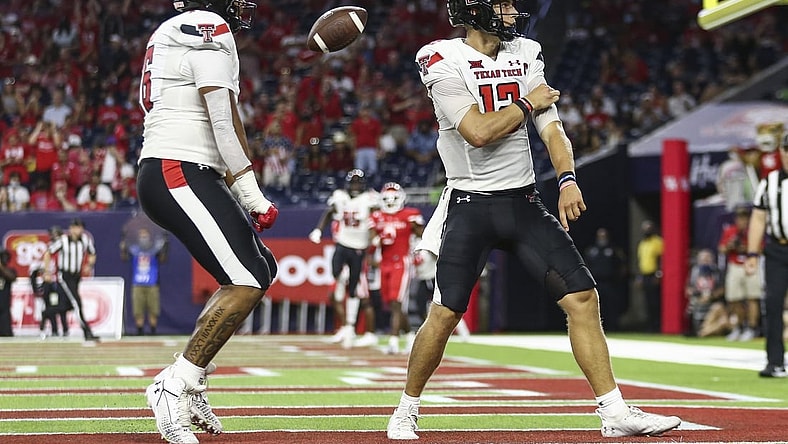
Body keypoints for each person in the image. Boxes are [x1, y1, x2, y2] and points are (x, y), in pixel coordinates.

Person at [386, 1, 681, 440]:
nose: (511, 11)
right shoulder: (440, 58)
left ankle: (614, 411)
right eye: (501, 3)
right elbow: (478, 132)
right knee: (445, 313)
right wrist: (525, 102)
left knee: (582, 297)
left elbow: (552, 126)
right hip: (470, 203)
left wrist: (566, 179)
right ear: (474, 9)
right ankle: (406, 409)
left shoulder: (526, 50)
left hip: (523, 201)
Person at [137, 1, 280, 442]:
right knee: (246, 278)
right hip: (178, 166)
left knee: (261, 268)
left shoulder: (178, 28)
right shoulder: (207, 26)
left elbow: (225, 117)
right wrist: (252, 194)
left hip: (185, 167)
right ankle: (174, 383)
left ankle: (192, 377)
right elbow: (221, 119)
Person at [309, 169, 378, 348]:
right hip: (343, 242)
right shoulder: (339, 196)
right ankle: (347, 325)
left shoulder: (369, 199)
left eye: (357, 182)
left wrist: (375, 239)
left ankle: (350, 327)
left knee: (355, 288)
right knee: (335, 272)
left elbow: (379, 215)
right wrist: (318, 230)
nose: (355, 185)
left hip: (359, 248)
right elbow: (330, 212)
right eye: (353, 182)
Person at [745, 133, 788, 378]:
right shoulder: (769, 181)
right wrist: (752, 252)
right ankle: (775, 362)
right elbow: (759, 218)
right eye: (787, 150)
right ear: (781, 152)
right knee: (772, 303)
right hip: (777, 249)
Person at [369, 182, 425, 354]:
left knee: (396, 303)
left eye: (394, 198)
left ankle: (393, 341)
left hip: (401, 262)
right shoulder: (377, 216)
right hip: (384, 263)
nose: (390, 201)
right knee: (393, 305)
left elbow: (422, 235)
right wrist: (377, 241)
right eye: (387, 198)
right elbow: (371, 242)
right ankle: (409, 336)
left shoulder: (410, 215)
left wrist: (417, 251)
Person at [43, 218, 99, 343]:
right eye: (75, 227)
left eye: (80, 227)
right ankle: (87, 331)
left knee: (66, 306)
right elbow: (48, 253)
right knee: (77, 303)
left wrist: (89, 265)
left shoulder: (85, 240)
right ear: (71, 229)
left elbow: (93, 253)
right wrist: (47, 271)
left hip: (76, 276)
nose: (78, 230)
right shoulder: (63, 240)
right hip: (65, 276)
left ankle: (47, 312)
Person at [718, 205, 762, 341]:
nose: (741, 220)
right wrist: (730, 246)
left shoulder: (754, 231)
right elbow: (721, 249)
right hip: (735, 265)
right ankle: (739, 326)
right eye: (739, 217)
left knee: (752, 298)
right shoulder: (731, 231)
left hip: (750, 263)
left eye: (744, 217)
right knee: (733, 298)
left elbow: (761, 249)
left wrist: (747, 248)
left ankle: (752, 328)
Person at [120, 228, 168, 336]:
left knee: (153, 309)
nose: (143, 238)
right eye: (142, 236)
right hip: (137, 283)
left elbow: (163, 259)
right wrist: (123, 244)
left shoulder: (154, 250)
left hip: (152, 283)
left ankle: (153, 330)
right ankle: (140, 331)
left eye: (145, 235)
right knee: (138, 310)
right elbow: (124, 258)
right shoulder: (135, 250)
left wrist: (165, 245)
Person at [584, 228, 627, 331]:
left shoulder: (613, 249)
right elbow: (585, 265)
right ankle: (597, 327)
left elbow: (622, 265)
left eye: (604, 236)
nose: (602, 238)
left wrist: (618, 278)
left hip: (610, 282)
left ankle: (613, 326)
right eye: (600, 236)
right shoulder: (592, 250)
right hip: (596, 283)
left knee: (611, 305)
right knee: (597, 305)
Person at [684, 249, 726, 337]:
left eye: (707, 258)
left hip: (713, 303)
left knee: (718, 310)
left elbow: (723, 289)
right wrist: (696, 295)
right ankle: (703, 331)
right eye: (703, 259)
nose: (705, 261)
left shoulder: (717, 271)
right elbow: (688, 289)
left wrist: (710, 296)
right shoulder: (694, 271)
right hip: (698, 302)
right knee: (722, 323)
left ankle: (702, 333)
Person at [636, 220, 664, 332]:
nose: (646, 231)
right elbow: (640, 261)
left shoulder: (658, 242)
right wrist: (639, 277)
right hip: (645, 275)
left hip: (654, 275)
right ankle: (650, 325)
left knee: (655, 301)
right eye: (645, 229)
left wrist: (658, 274)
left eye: (649, 228)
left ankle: (657, 325)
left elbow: (661, 259)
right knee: (647, 302)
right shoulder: (642, 243)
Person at [0, 247, 16, 337]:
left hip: (4, 304)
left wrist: (1, 267)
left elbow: (12, 277)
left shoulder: (10, 270)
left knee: (6, 331)